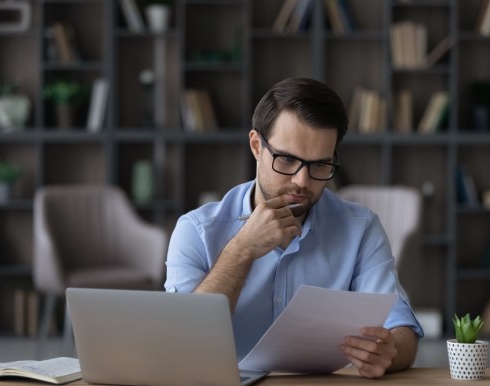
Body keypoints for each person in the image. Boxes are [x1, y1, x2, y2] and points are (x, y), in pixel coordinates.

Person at [165, 77, 423, 378]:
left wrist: (389, 351)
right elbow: (180, 343)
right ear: (256, 146)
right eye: (287, 160)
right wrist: (242, 249)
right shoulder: (196, 230)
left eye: (320, 165)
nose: (302, 181)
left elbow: (402, 330)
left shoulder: (360, 229)